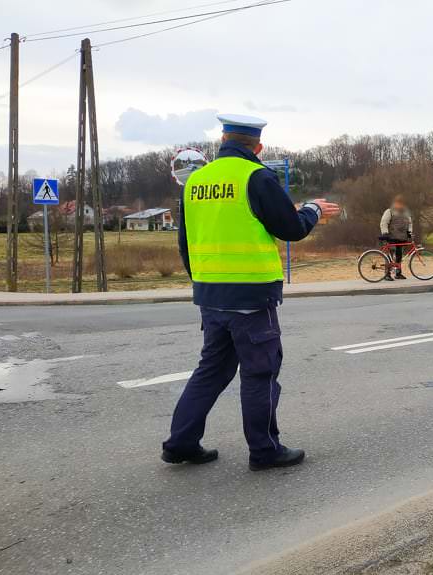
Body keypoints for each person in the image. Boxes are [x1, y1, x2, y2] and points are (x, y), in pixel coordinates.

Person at [162, 113, 339, 471]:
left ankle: (180, 443)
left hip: (211, 295)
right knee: (260, 373)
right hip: (251, 297)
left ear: (223, 139)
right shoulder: (256, 176)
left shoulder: (195, 181)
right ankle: (264, 450)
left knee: (210, 371)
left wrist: (202, 283)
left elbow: (185, 243)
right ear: (258, 146)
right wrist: (313, 210)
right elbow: (290, 229)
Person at [379, 195, 413, 281]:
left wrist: (409, 232)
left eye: (402, 203)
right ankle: (387, 274)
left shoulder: (406, 213)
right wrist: (385, 233)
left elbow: (410, 223)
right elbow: (384, 223)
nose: (400, 205)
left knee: (399, 256)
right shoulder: (389, 212)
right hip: (390, 237)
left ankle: (398, 273)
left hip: (401, 238)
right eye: (398, 203)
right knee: (389, 256)